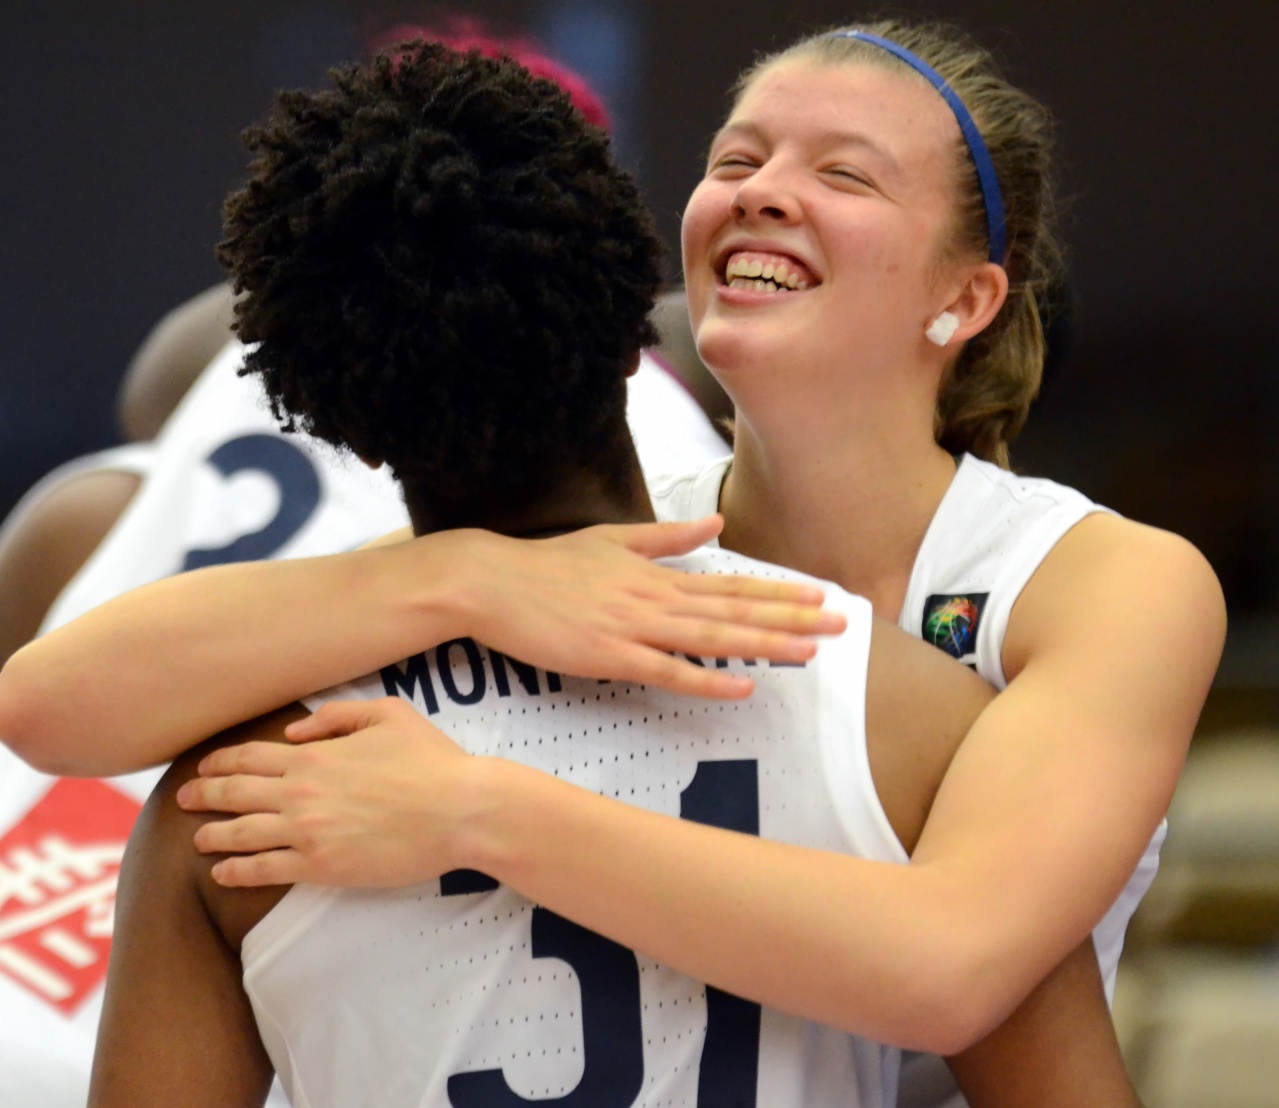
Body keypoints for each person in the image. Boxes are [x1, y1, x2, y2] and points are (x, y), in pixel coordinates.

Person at [0, 17, 1223, 1104]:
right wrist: (454, 576)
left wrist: (474, 808)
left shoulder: (1096, 579)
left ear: (966, 298)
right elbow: (51, 700)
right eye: (735, 160)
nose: (763, 191)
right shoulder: (608, 543)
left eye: (841, 172)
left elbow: (945, 966)